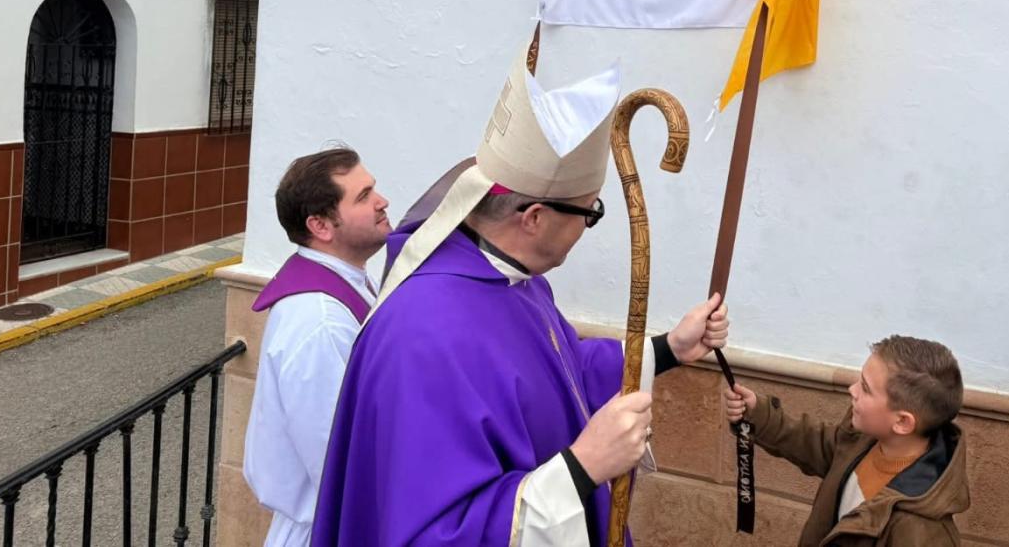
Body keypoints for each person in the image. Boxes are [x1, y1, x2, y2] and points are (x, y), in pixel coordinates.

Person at [312, 41, 729, 546]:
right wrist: (584, 466)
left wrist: (671, 349)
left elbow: (565, 373)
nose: (587, 229)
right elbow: (435, 532)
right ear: (534, 218)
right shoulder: (422, 336)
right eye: (589, 214)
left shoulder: (516, 284)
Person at [243, 147, 391, 547]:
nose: (382, 202)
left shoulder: (345, 284)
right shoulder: (320, 321)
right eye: (363, 196)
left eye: (373, 189)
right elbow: (336, 464)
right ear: (321, 226)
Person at [724, 335, 970, 546]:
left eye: (865, 387)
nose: (852, 390)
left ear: (903, 423)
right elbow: (816, 444)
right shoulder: (864, 441)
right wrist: (758, 414)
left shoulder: (920, 530)